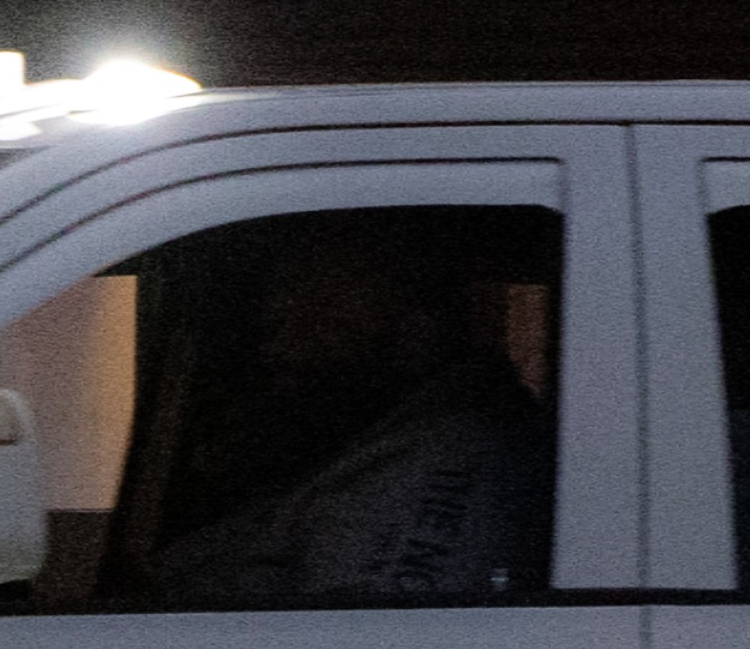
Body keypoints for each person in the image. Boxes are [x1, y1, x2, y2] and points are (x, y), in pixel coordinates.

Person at [147, 236, 549, 602]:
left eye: (312, 298)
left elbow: (365, 641)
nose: (278, 338)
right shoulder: (373, 441)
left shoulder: (450, 456)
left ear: (416, 322)